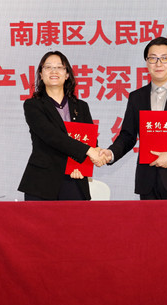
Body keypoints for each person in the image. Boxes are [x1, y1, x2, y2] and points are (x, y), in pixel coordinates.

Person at [102, 37, 167, 199]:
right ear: (146, 62)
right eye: (153, 58)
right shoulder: (136, 97)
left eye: (165, 58)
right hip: (148, 181)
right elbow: (128, 135)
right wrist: (111, 153)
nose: (158, 64)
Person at [18, 51, 106, 200]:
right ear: (41, 74)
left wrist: (81, 166)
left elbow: (90, 140)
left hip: (74, 180)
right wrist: (88, 151)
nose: (54, 71)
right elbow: (51, 136)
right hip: (42, 183)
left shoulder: (81, 106)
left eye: (59, 67)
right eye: (48, 67)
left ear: (67, 75)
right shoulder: (33, 105)